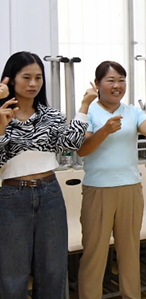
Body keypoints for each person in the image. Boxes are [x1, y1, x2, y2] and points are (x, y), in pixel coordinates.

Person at [76, 60, 146, 299]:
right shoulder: (89, 111)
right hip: (98, 190)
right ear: (97, 84)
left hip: (130, 188)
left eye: (121, 80)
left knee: (129, 252)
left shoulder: (132, 111)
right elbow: (82, 150)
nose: (117, 85)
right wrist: (104, 130)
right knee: (95, 254)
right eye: (111, 80)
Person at [0, 51, 96, 298]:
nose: (33, 84)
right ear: (9, 79)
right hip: (12, 195)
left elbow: (71, 144)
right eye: (26, 77)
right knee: (13, 273)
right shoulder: (2, 114)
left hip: (49, 192)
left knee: (53, 268)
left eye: (38, 78)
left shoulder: (51, 115)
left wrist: (84, 106)